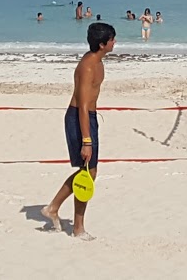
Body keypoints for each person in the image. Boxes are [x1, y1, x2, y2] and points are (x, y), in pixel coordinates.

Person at [42, 21, 116, 239]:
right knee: (87, 173)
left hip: (88, 118)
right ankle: (75, 226)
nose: (115, 42)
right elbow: (83, 105)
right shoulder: (88, 66)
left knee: (88, 173)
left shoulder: (97, 60)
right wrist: (86, 140)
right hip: (79, 118)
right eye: (112, 39)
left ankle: (55, 209)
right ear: (103, 44)